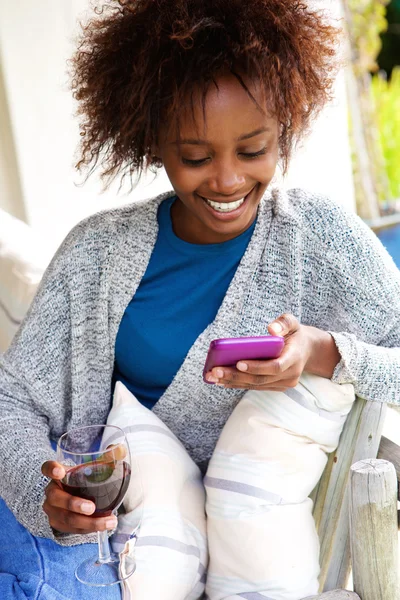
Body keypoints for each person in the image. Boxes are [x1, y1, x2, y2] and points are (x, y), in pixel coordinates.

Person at [1, 0, 400, 598]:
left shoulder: (321, 240)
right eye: (194, 157)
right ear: (150, 141)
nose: (226, 181)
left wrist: (323, 353)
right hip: (85, 542)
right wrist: (44, 492)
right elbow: (13, 400)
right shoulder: (97, 252)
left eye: (253, 149)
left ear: (283, 131)